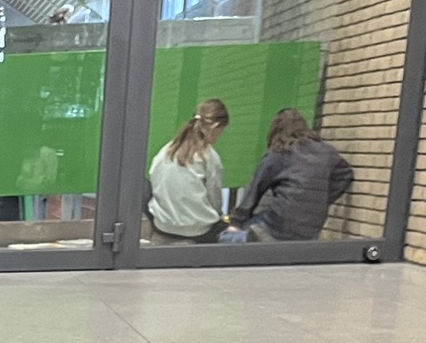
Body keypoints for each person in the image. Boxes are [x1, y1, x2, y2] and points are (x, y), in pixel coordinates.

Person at [228, 108, 353, 242]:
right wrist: (322, 198)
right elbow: (345, 174)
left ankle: (253, 237)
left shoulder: (279, 152)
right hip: (312, 225)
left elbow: (255, 188)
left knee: (229, 236)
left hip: (280, 222)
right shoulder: (325, 150)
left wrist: (236, 222)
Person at [147, 98, 229, 243]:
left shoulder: (166, 150)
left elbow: (154, 178)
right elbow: (215, 199)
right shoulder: (209, 157)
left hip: (162, 225)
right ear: (215, 127)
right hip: (196, 231)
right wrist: (219, 216)